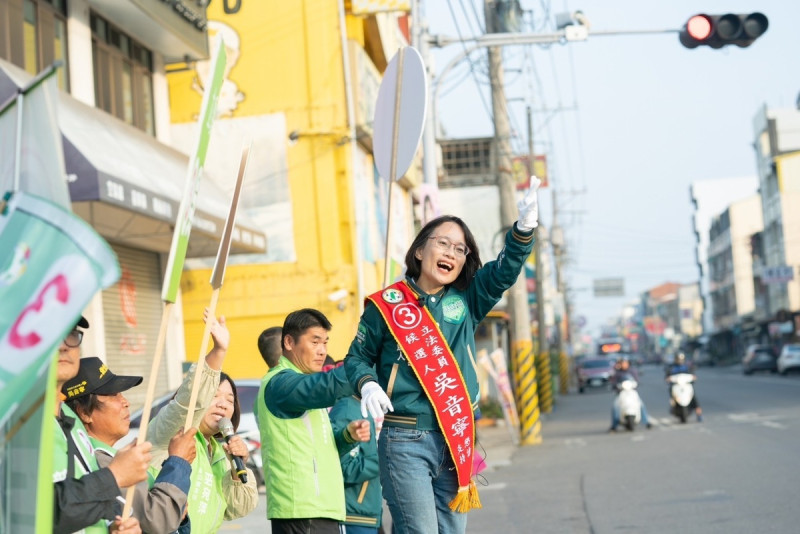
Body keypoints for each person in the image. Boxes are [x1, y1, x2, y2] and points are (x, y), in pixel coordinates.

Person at [344, 179, 541, 533]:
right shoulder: (386, 306)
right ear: (420, 251)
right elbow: (356, 358)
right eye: (443, 243)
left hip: (456, 434)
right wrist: (368, 383)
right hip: (405, 439)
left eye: (460, 249)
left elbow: (505, 270)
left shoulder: (467, 299)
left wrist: (523, 230)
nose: (451, 253)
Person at [256, 308, 370, 534]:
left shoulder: (301, 384)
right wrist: (363, 368)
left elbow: (320, 450)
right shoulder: (281, 384)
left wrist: (347, 436)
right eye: (315, 342)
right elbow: (325, 386)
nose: (322, 351)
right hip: (302, 510)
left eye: (325, 343)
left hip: (319, 508)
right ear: (289, 342)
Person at [146, 310, 259, 533]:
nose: (223, 404)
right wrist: (219, 351)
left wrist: (238, 468)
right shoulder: (174, 433)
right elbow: (192, 399)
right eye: (215, 396)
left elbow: (239, 509)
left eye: (230, 399)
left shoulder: (220, 451)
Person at [63, 357, 197, 534]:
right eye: (113, 395)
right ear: (84, 412)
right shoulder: (99, 462)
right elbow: (158, 521)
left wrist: (179, 516)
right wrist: (178, 462)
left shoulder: (110, 456)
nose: (125, 402)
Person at [53, 315, 150, 534]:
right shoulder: (15, 423)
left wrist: (112, 528)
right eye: (51, 334)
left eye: (71, 335)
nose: (63, 346)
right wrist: (114, 476)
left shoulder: (69, 419)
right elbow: (33, 510)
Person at [329, 370, 383, 534]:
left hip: (367, 514)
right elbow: (343, 468)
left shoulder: (361, 406)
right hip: (353, 514)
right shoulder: (346, 409)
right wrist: (385, 460)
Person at [608, 357, 652, 431]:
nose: (624, 365)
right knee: (615, 407)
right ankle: (614, 425)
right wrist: (616, 386)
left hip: (631, 392)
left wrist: (636, 384)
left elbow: (637, 380)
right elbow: (613, 382)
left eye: (625, 363)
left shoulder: (632, 371)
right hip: (621, 393)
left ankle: (646, 422)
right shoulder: (617, 373)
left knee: (640, 404)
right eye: (622, 363)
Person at [665, 352, 703, 422]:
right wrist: (668, 379)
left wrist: (693, 377)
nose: (679, 360)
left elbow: (693, 376)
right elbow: (667, 377)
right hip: (676, 386)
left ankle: (699, 415)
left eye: (681, 359)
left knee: (694, 399)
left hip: (686, 385)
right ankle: (673, 407)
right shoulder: (672, 368)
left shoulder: (687, 367)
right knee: (672, 396)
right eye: (678, 359)